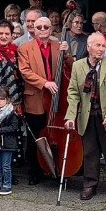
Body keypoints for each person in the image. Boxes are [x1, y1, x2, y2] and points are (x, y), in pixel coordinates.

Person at [64, 32, 106, 202]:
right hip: (87, 114)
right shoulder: (78, 66)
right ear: (88, 47)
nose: (101, 49)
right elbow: (73, 93)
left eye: (103, 45)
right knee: (90, 152)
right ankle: (90, 184)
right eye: (98, 45)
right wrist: (70, 116)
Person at [17, 16, 72, 184]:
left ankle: (56, 168)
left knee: (57, 134)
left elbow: (69, 67)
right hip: (36, 97)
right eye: (38, 27)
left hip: (57, 97)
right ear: (33, 29)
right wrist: (45, 83)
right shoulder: (25, 48)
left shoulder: (58, 45)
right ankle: (36, 172)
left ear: (50, 29)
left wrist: (67, 54)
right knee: (37, 136)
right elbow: (24, 71)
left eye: (45, 27)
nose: (42, 30)